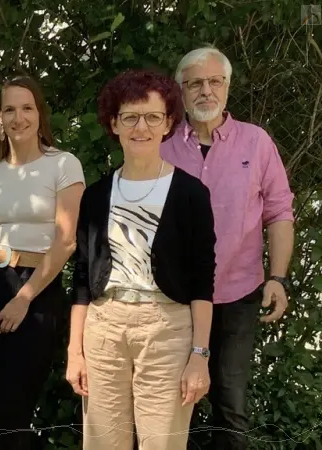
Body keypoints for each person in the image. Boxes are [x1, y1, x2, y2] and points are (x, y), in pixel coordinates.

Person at [68, 69, 216, 450]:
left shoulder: (190, 194)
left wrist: (199, 355)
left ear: (168, 123)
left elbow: (202, 280)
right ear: (114, 123)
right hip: (104, 329)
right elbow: (82, 278)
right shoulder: (97, 194)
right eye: (130, 116)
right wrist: (75, 351)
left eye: (153, 116)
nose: (141, 127)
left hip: (166, 330)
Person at [161, 47, 295, 449]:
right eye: (196, 83)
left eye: (215, 81)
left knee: (230, 404)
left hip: (238, 293)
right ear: (180, 91)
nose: (206, 91)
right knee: (168, 403)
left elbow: (280, 212)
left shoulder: (256, 143)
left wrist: (278, 277)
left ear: (227, 86)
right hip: (174, 297)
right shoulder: (161, 144)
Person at [0, 75, 85, 450]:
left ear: (40, 115)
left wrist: (24, 298)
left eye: (27, 108)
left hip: (37, 291)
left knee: (10, 412)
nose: (18, 117)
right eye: (9, 109)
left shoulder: (64, 165)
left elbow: (66, 240)